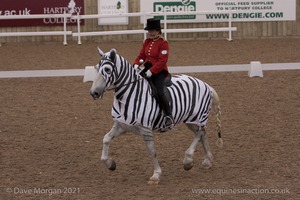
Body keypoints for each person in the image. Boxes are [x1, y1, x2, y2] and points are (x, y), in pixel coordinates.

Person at [133, 18, 174, 129]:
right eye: (149, 31)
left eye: (152, 31)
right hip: (146, 69)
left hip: (159, 72)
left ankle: (168, 115)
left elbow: (162, 61)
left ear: (158, 31)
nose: (150, 33)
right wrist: (136, 64)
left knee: (159, 91)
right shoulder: (147, 42)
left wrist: (152, 71)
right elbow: (141, 56)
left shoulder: (163, 43)